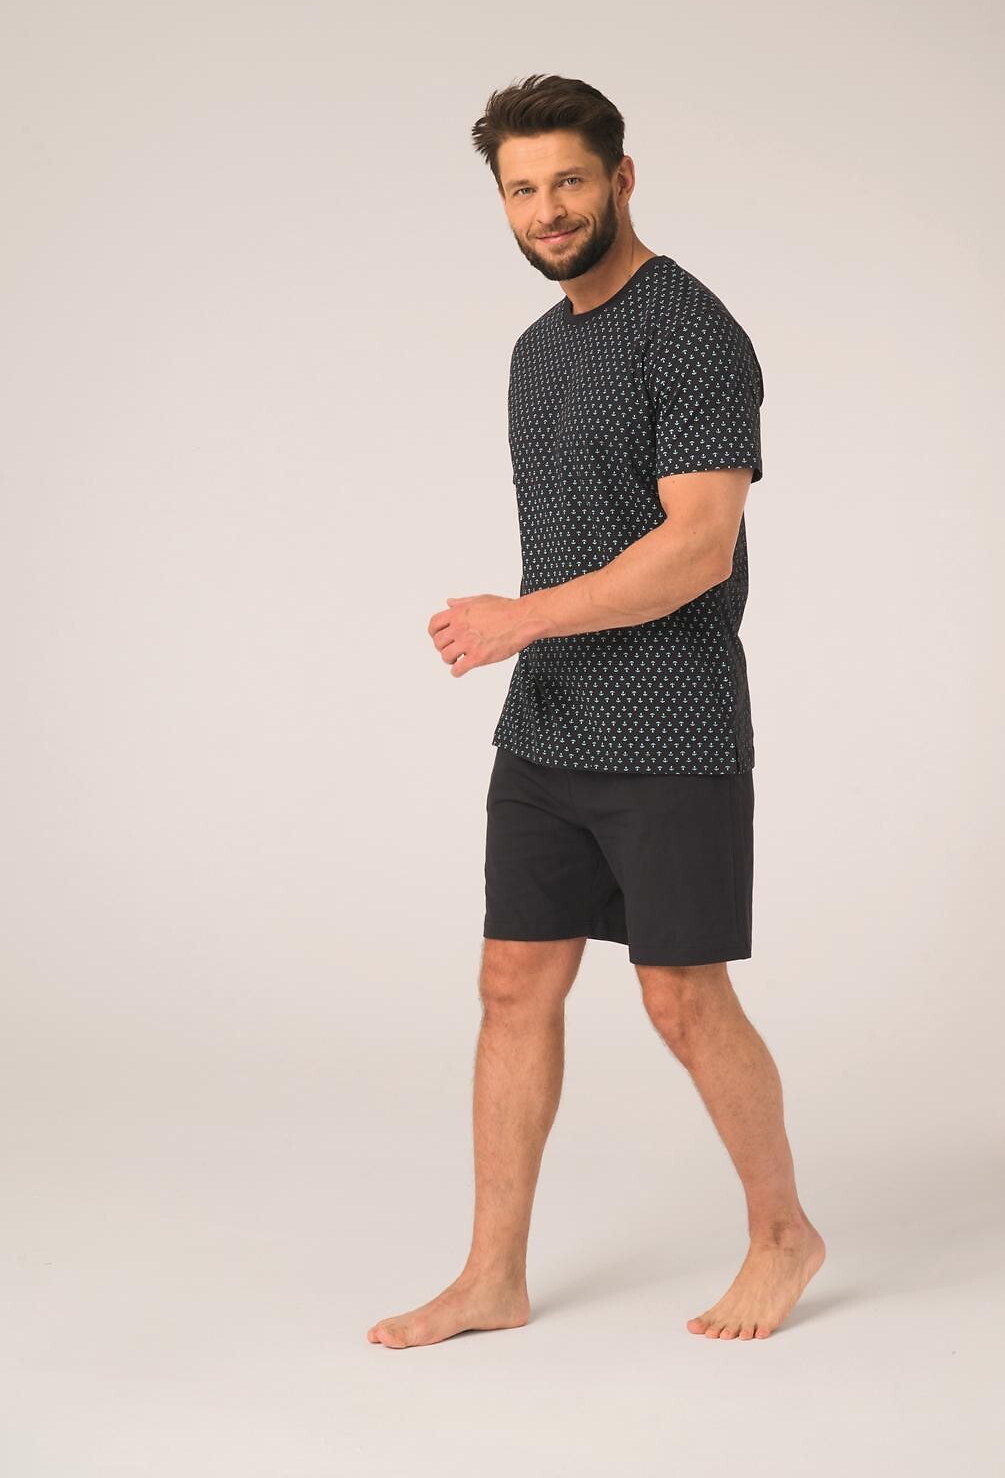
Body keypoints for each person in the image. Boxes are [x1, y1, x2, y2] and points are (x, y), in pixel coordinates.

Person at [368, 74, 825, 1350]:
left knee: (680, 998)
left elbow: (696, 547)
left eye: (568, 180)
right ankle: (490, 1276)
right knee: (511, 982)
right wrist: (528, 641)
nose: (547, 209)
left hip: (673, 726)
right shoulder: (536, 351)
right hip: (548, 724)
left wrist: (516, 618)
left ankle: (782, 1233)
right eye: (521, 189)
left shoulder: (691, 331)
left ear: (621, 178)